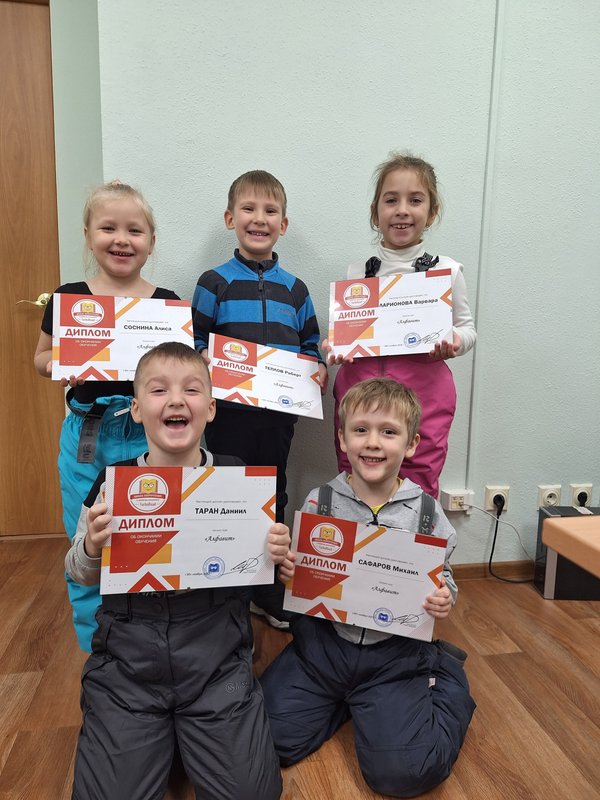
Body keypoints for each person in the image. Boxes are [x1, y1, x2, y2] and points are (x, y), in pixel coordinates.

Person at [65, 342, 292, 800]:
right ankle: (159, 736)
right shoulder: (112, 484)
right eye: (158, 390)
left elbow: (263, 567)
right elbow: (78, 572)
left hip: (215, 659)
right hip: (129, 663)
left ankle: (177, 738)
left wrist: (276, 553)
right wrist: (91, 545)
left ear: (210, 408)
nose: (175, 400)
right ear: (136, 410)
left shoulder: (238, 479)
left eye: (191, 390)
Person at [260, 378, 475, 798]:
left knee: (404, 774)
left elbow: (444, 576)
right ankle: (347, 700)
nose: (373, 442)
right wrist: (289, 570)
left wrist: (444, 596)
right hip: (322, 649)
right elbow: (300, 571)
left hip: (393, 655)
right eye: (361, 430)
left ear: (411, 444)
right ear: (343, 439)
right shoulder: (320, 501)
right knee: (264, 741)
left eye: (388, 432)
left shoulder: (427, 514)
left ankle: (444, 674)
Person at [33, 180, 179, 651]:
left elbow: (178, 370)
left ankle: (147, 633)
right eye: (108, 228)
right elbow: (40, 357)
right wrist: (59, 365)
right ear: (88, 235)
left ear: (151, 241)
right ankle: (97, 644)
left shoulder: (168, 303)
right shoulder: (69, 298)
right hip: (87, 436)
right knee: (90, 533)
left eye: (134, 230)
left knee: (151, 529)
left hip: (147, 433)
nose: (121, 239)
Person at [192, 169, 326, 627]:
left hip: (278, 418)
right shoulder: (213, 283)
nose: (259, 218)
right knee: (226, 494)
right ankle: (227, 586)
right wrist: (204, 360)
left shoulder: (296, 289)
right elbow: (193, 341)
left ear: (283, 225)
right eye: (248, 208)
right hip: (226, 416)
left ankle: (266, 588)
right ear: (230, 218)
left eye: (270, 211)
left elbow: (311, 345)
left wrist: (318, 368)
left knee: (274, 494)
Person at [327, 154, 476, 498]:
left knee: (418, 484)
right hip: (359, 394)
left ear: (432, 212)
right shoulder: (356, 272)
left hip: (425, 396)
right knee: (355, 480)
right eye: (391, 200)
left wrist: (455, 341)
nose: (402, 210)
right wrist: (335, 345)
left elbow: (468, 329)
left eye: (415, 200)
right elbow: (347, 333)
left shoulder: (447, 270)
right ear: (375, 212)